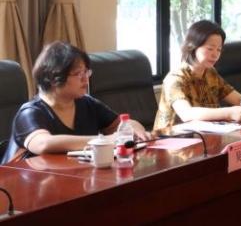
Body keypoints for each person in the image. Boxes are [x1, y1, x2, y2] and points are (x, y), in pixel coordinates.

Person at [2, 41, 149, 163]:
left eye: (86, 72)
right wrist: (103, 141)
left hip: (73, 178)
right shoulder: (30, 112)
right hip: (25, 184)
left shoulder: (87, 104)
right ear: (54, 78)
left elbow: (121, 124)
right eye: (78, 73)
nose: (86, 79)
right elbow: (43, 144)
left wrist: (134, 129)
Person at [153, 20, 241, 130]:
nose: (215, 55)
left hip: (206, 134)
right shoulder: (175, 79)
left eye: (219, 50)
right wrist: (229, 113)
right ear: (193, 46)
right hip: (172, 138)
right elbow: (187, 114)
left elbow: (237, 99)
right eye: (210, 49)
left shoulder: (210, 73)